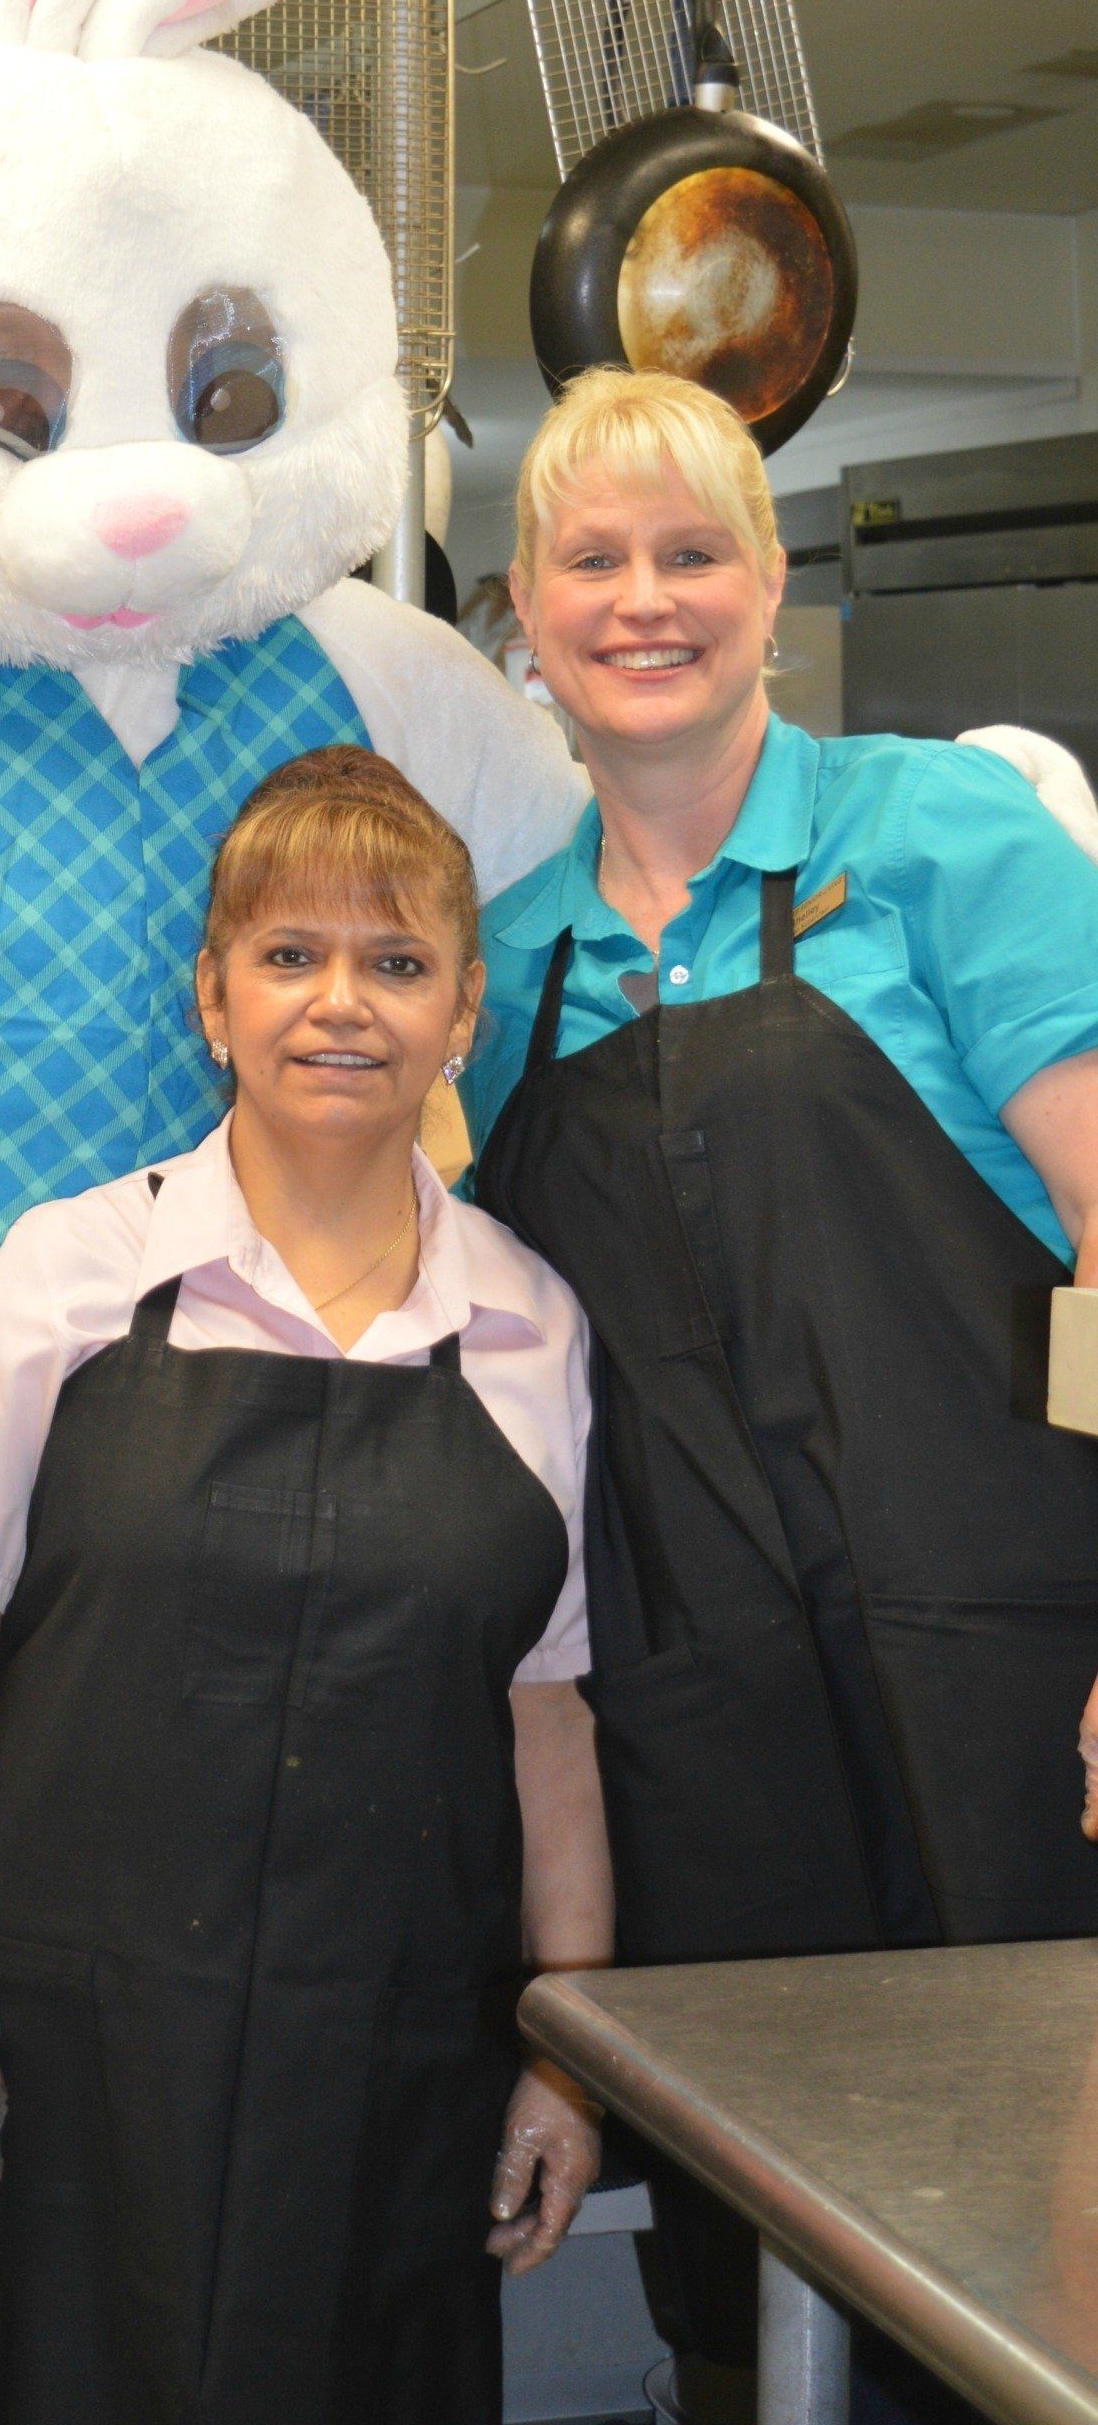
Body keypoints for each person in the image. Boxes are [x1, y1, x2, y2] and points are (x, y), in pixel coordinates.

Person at [0, 745, 612, 2425]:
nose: (343, 1004)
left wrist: (568, 2058)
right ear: (213, 995)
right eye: (289, 954)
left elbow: (546, 1727)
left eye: (397, 963)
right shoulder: (68, 1274)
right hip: (63, 2072)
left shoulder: (535, 1328)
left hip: (393, 2086)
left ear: (465, 1009)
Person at [466, 366, 1098, 2422]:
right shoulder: (511, 965)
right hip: (692, 1725)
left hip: (1006, 1685)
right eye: (594, 560)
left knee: (1045, 2241)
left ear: (771, 581)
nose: (645, 601)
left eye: (695, 553)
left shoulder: (938, 838)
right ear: (523, 606)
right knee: (765, 2282)